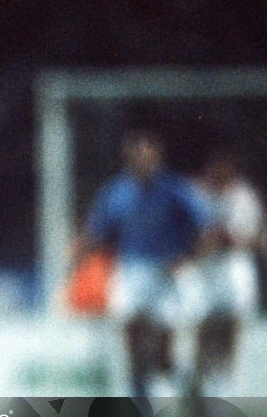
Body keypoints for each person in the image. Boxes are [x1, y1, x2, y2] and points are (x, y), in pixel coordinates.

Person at [74, 128, 212, 398]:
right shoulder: (117, 191)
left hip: (167, 273)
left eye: (148, 156)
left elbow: (207, 229)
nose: (142, 162)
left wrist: (188, 258)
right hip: (133, 270)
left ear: (158, 157)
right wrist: (78, 257)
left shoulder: (176, 190)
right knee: (132, 337)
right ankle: (142, 404)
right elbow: (97, 231)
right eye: (136, 156)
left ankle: (186, 384)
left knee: (162, 353)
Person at [190, 148, 264, 396]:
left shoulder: (244, 197)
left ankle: (224, 383)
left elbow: (255, 237)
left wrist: (232, 239)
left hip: (234, 265)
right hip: (207, 267)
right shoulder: (196, 195)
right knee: (204, 324)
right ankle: (198, 379)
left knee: (231, 325)